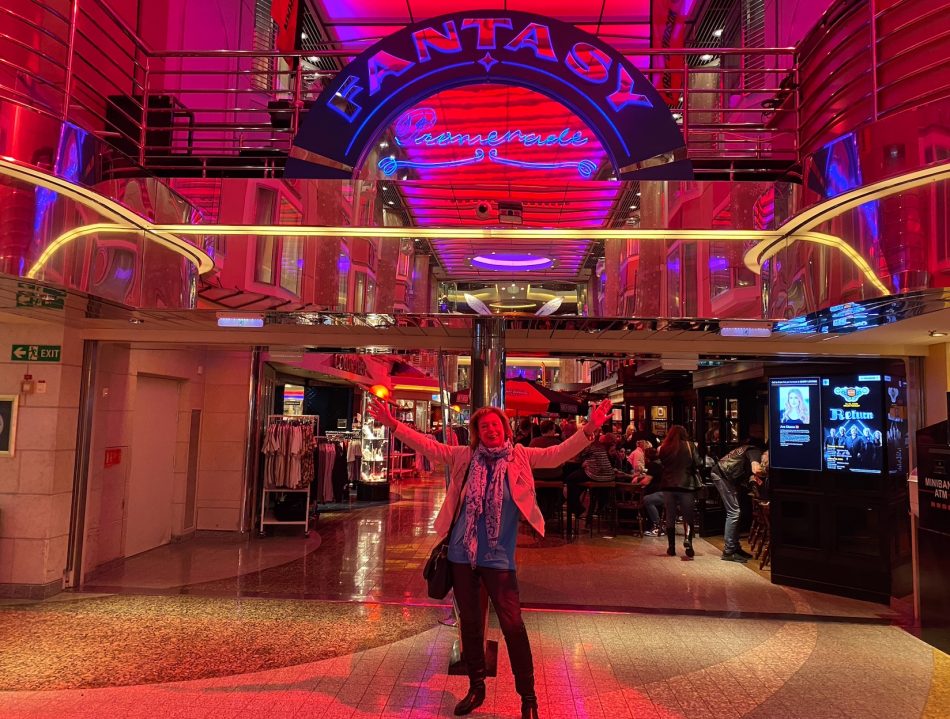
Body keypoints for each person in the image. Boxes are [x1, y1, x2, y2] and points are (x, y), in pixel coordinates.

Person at [367, 396, 613, 719]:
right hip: (461, 555)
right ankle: (476, 687)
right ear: (477, 433)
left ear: (505, 429)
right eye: (484, 427)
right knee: (470, 624)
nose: (490, 430)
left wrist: (591, 427)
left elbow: (558, 453)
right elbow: (428, 446)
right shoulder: (464, 456)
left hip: (498, 558)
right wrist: (393, 424)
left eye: (495, 425)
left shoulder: (520, 456)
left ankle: (528, 698)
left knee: (513, 625)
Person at [709, 439, 766, 562]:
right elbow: (756, 469)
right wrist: (768, 471)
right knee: (734, 512)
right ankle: (729, 551)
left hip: (722, 474)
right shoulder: (755, 451)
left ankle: (735, 547)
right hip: (722, 475)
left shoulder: (746, 448)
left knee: (736, 512)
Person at [657, 425, 702, 558]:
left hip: (668, 484)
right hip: (686, 484)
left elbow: (662, 463)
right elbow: (698, 463)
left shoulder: (664, 447)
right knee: (688, 515)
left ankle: (671, 547)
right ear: (684, 434)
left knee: (670, 515)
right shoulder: (690, 446)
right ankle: (688, 542)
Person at [640, 447, 665, 535]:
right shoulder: (660, 463)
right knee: (648, 498)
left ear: (647, 457)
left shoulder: (653, 465)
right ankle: (652, 525)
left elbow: (646, 482)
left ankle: (657, 527)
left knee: (647, 500)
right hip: (666, 491)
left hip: (663, 492)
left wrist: (638, 480)